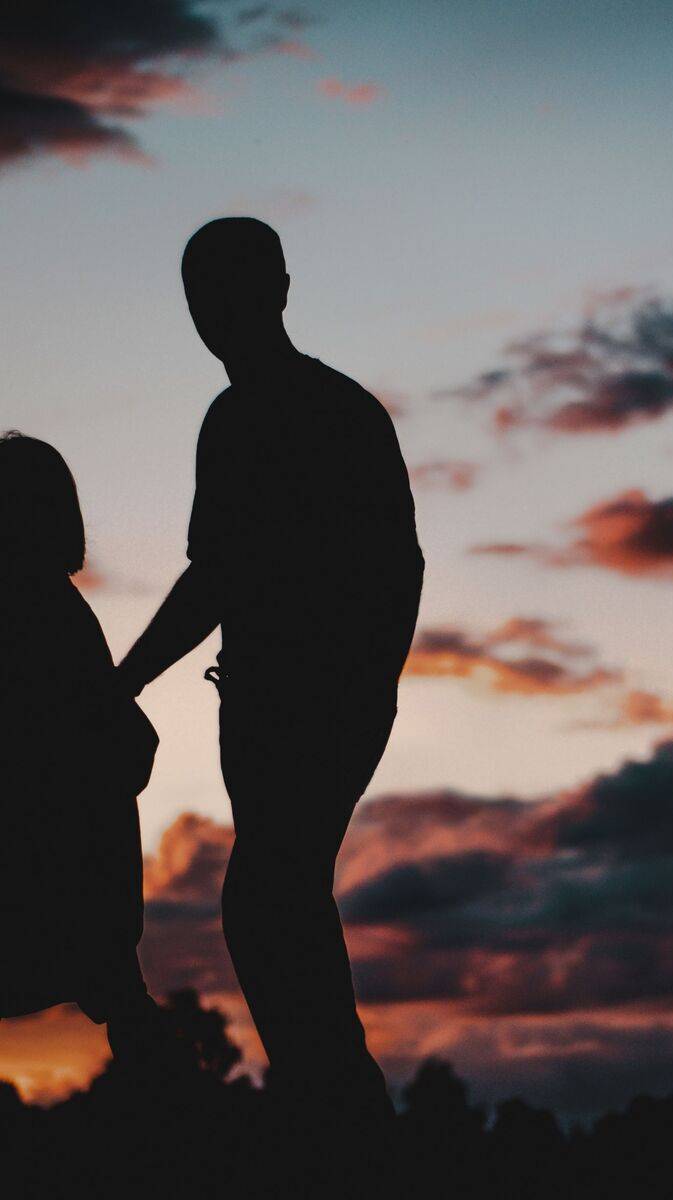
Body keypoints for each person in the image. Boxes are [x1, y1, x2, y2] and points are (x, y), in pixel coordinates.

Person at [117, 218, 424, 1123]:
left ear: (280, 291)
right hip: (269, 705)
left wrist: (126, 678)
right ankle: (333, 1110)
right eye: (200, 295)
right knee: (277, 906)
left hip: (308, 707)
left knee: (267, 903)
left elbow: (224, 576)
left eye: (229, 290)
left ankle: (341, 1118)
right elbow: (224, 575)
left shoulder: (308, 414)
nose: (212, 312)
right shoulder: (269, 415)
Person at [0, 433, 163, 1067]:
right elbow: (115, 741)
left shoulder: (45, 608)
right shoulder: (52, 610)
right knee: (126, 1006)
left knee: (125, 1006)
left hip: (52, 870)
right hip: (67, 871)